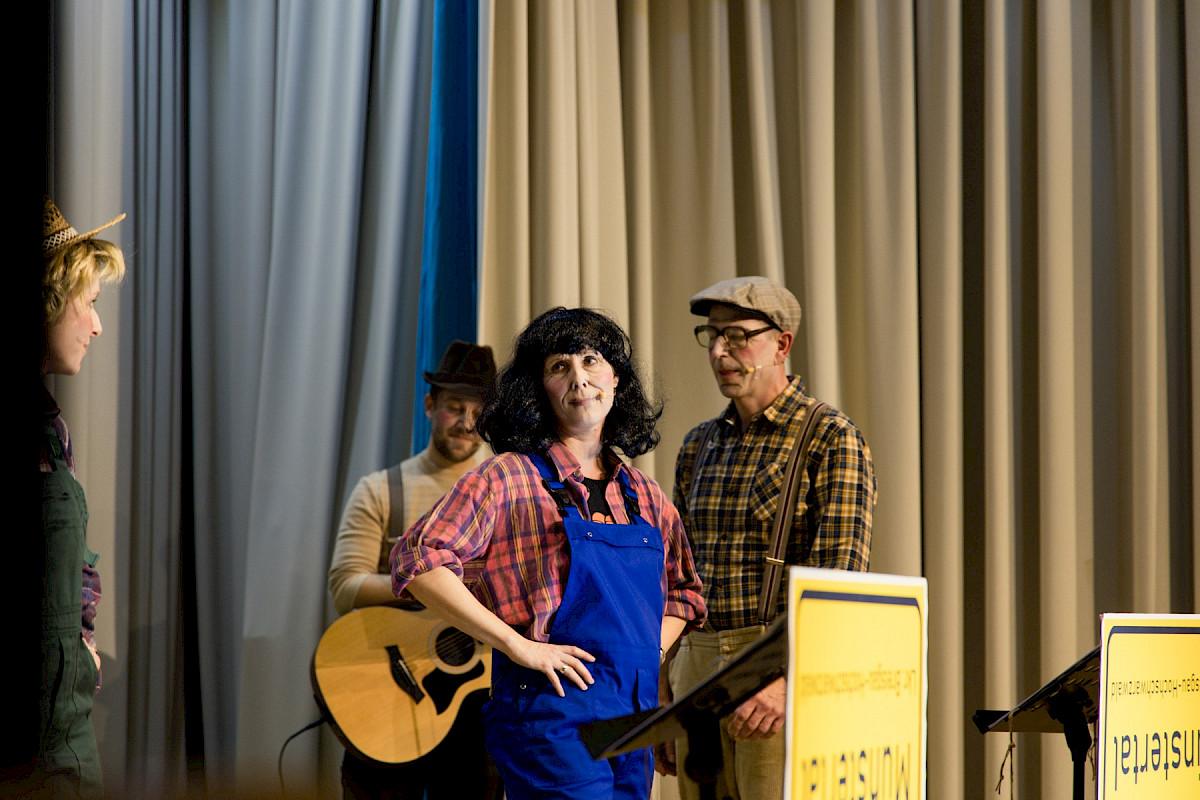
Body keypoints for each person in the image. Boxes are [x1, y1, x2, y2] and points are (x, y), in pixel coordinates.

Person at [392, 307, 706, 800]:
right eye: (560, 366)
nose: (579, 378)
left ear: (616, 380)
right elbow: (418, 560)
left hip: (632, 713)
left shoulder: (645, 494)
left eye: (591, 360)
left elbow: (685, 593)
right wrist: (516, 645)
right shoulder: (507, 476)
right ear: (539, 389)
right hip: (549, 713)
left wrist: (652, 651)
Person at [661, 276, 877, 800]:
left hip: (775, 667)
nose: (719, 351)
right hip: (696, 666)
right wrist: (664, 681)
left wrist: (786, 679)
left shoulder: (829, 437)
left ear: (781, 344)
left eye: (737, 336)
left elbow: (839, 582)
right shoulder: (698, 445)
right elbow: (674, 577)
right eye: (712, 335)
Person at [327, 340, 502, 800]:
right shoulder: (381, 490)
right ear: (429, 406)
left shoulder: (506, 494)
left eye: (478, 412)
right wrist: (431, 586)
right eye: (455, 407)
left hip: (476, 705)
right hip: (389, 693)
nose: (466, 422)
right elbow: (345, 587)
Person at [37, 197, 127, 798]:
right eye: (88, 303)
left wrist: (86, 646)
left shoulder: (51, 429)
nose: (96, 327)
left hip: (64, 734)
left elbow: (76, 567)